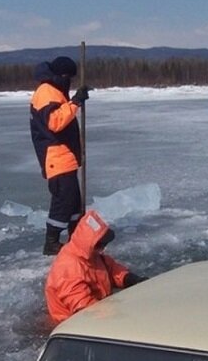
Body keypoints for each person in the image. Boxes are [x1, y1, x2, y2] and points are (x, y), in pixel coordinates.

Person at [30, 56, 91, 255]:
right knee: (63, 200)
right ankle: (52, 242)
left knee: (73, 200)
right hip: (56, 156)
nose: (70, 81)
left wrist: (73, 102)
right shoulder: (46, 92)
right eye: (68, 77)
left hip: (65, 156)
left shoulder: (55, 91)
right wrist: (75, 103)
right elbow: (54, 122)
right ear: (61, 75)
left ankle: (75, 236)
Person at [44, 209, 147, 322]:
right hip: (72, 325)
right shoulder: (68, 268)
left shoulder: (91, 255)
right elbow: (84, 308)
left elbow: (112, 270)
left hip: (99, 309)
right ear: (90, 243)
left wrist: (131, 279)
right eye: (101, 245)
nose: (103, 249)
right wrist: (115, 316)